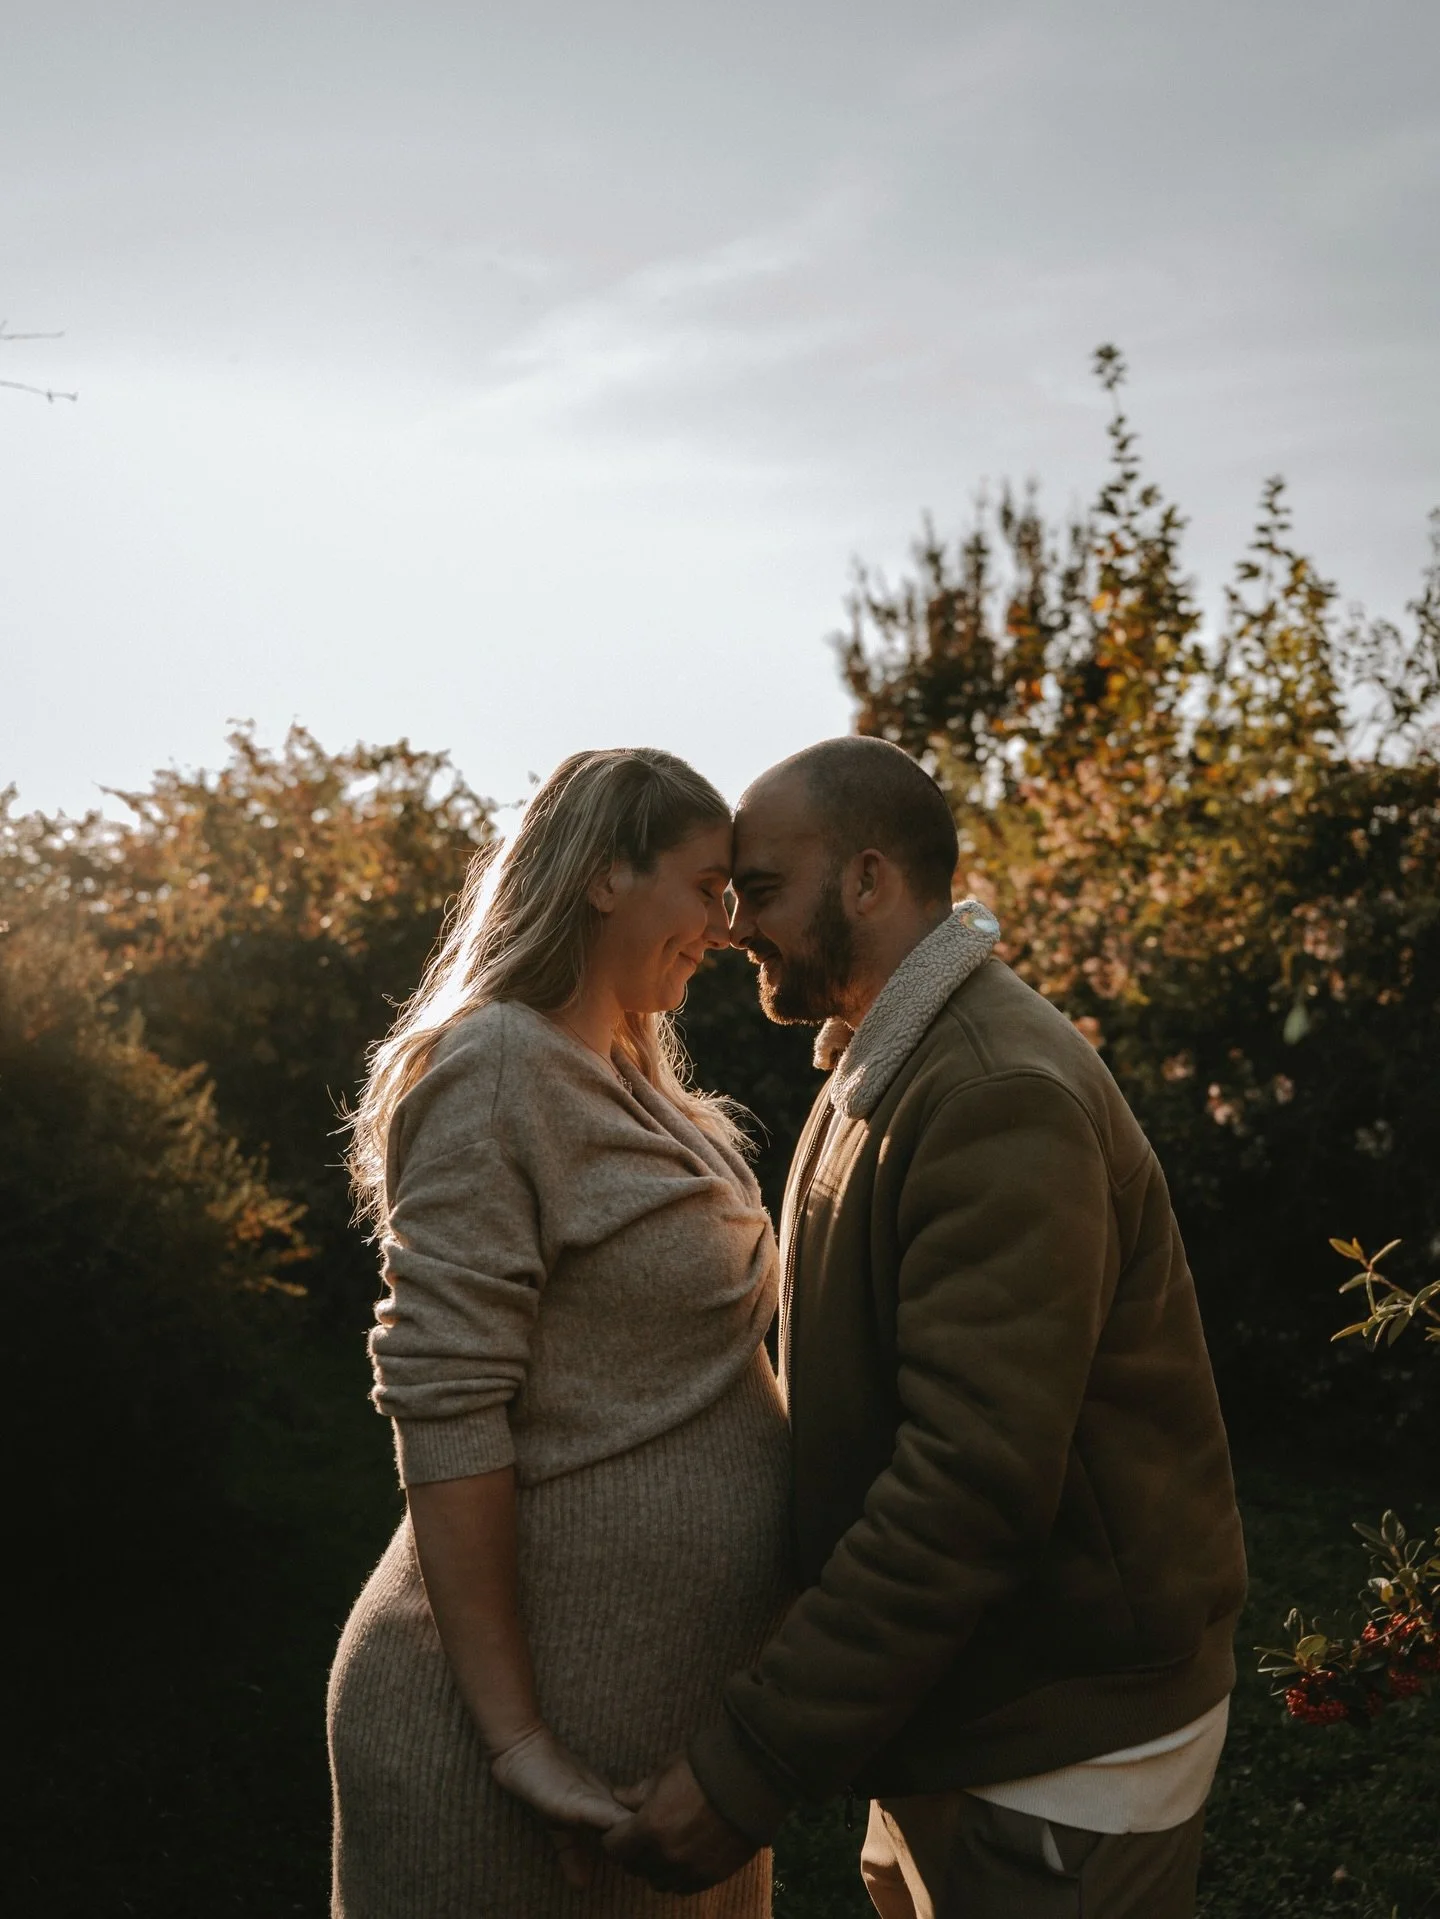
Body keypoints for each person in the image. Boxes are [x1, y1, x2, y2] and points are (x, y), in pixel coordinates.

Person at [606, 735, 1248, 1919]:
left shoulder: (996, 1092)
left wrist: (754, 1761)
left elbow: (969, 1485)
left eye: (763, 887)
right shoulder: (885, 1060)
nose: (736, 926)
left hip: (1059, 1759)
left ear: (868, 878)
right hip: (954, 1711)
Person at [327, 747, 792, 1918]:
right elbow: (446, 1401)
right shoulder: (495, 1067)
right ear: (603, 874)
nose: (726, 927)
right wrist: (519, 1740)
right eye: (706, 887)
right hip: (497, 1763)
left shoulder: (639, 1081)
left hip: (669, 1738)